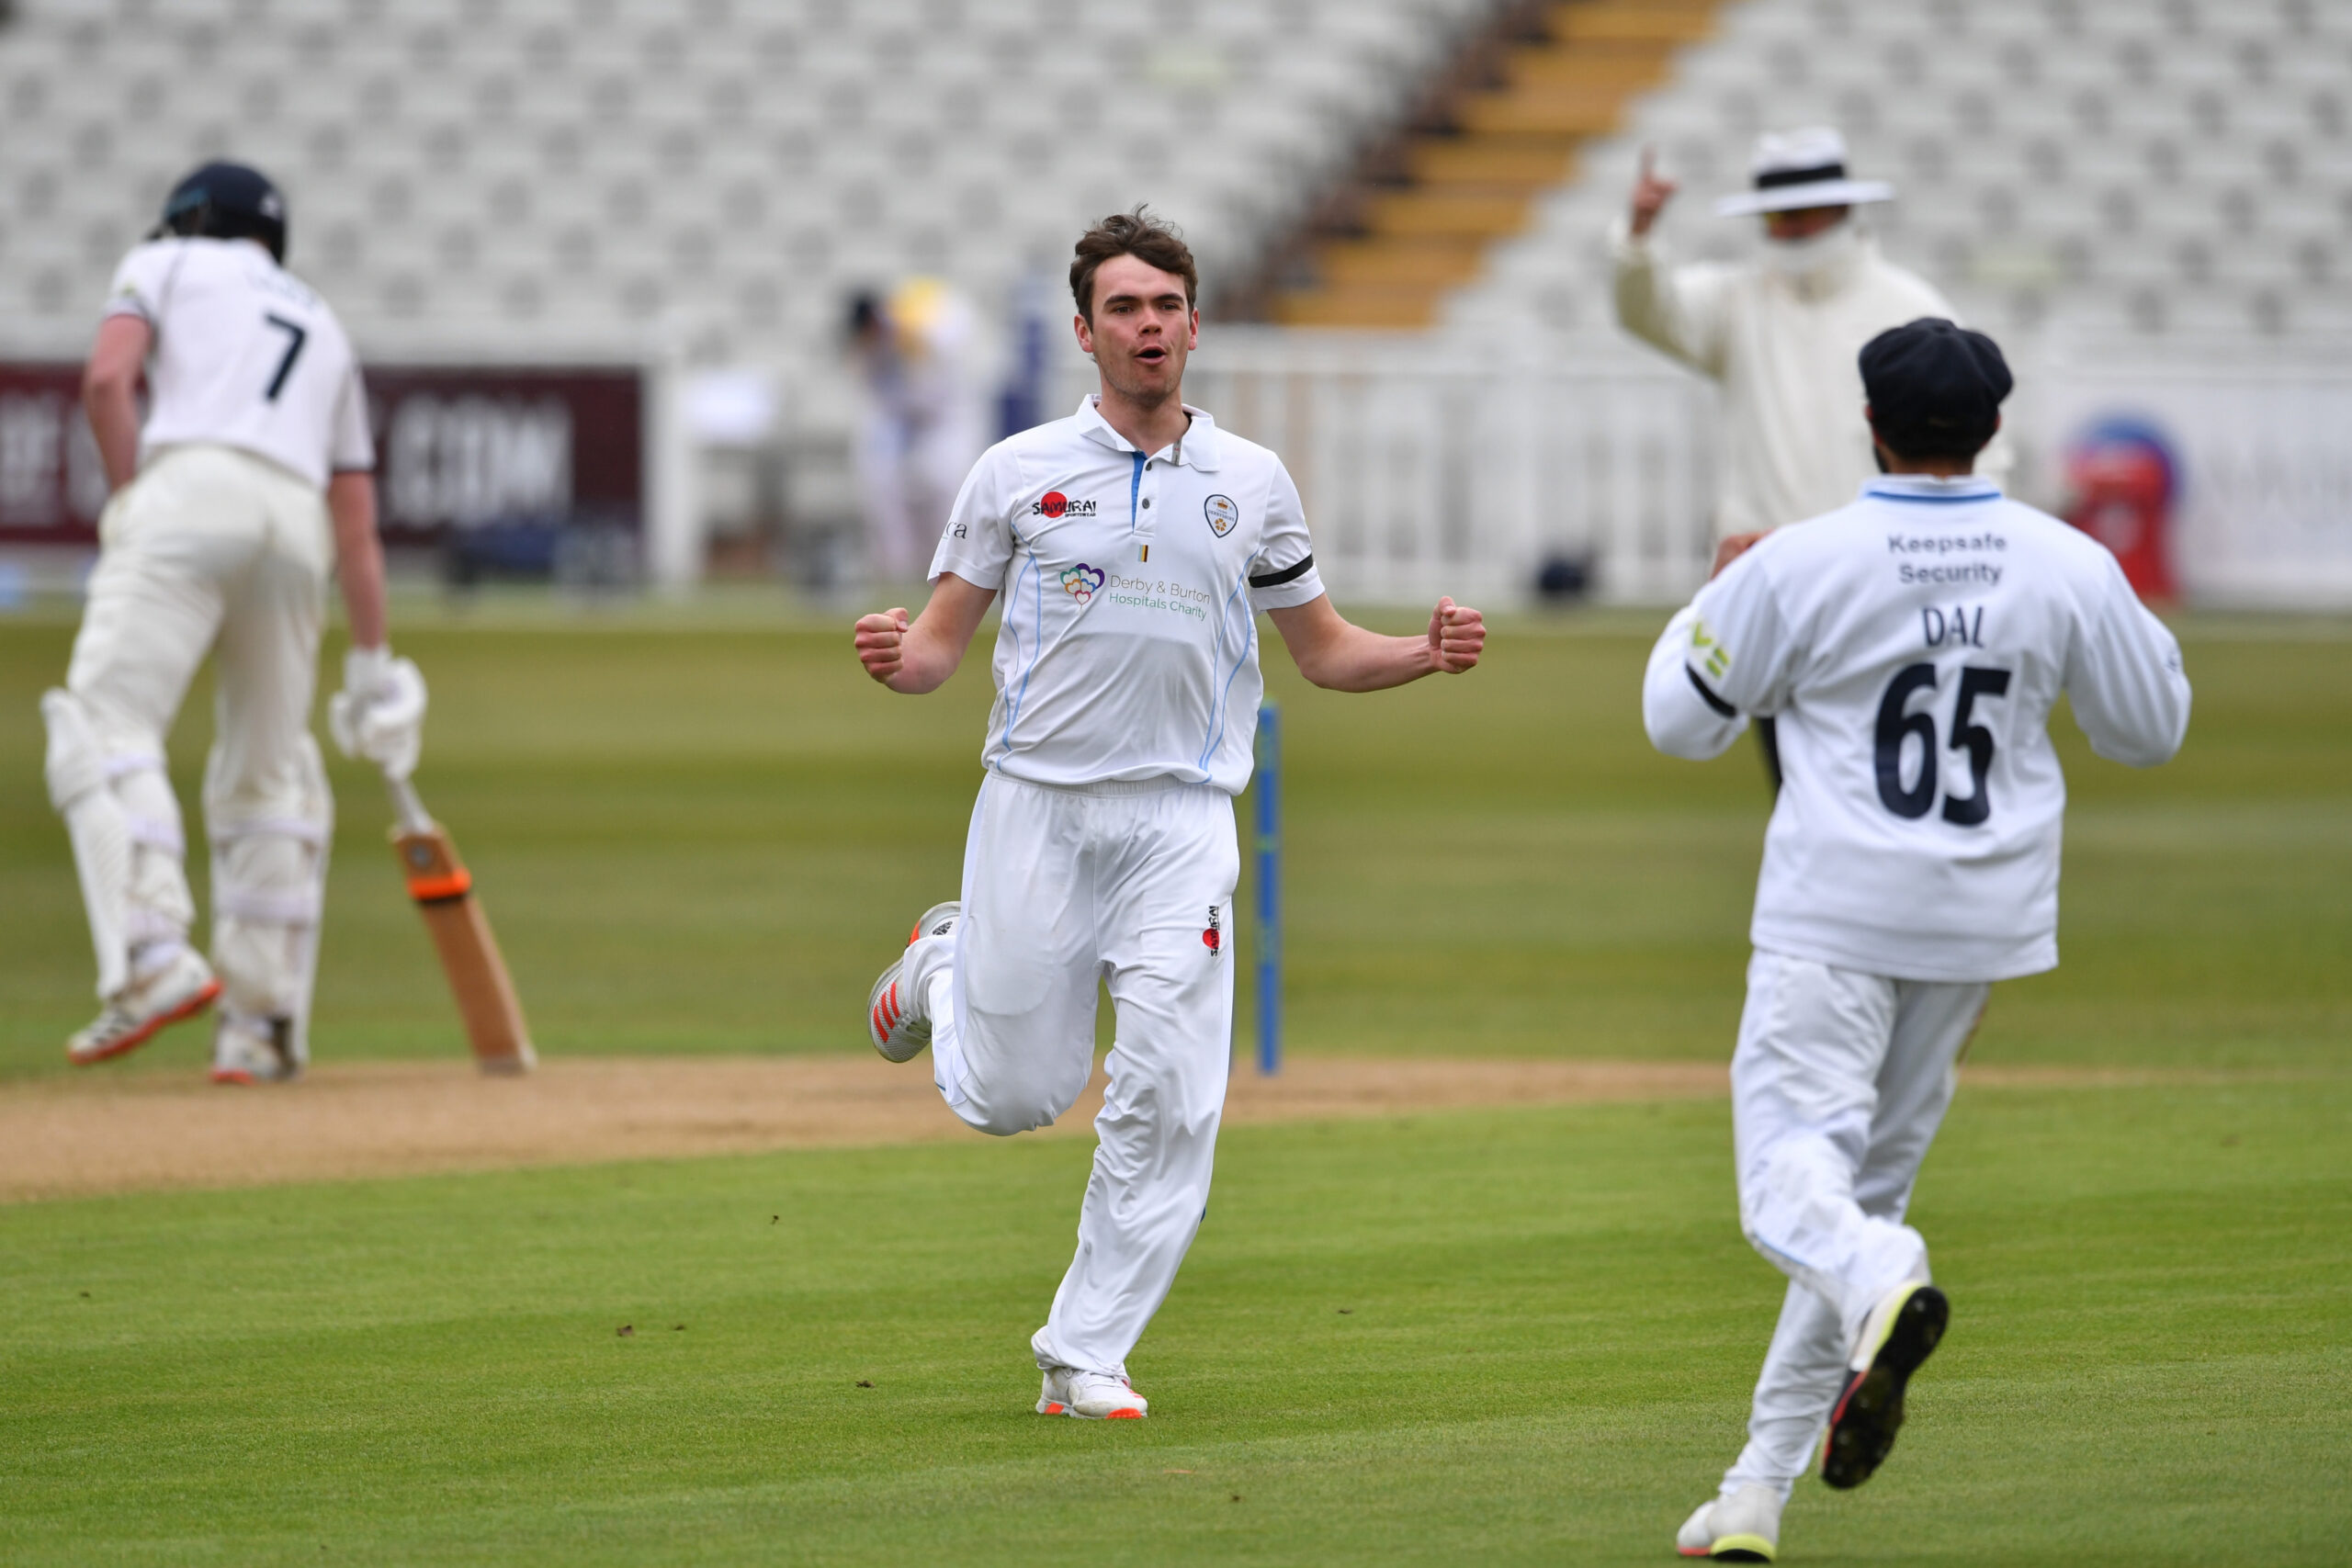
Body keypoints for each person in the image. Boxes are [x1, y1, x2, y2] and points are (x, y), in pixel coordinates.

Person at [850, 209, 1487, 1420]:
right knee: (1014, 1096)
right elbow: (937, 650)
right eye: (1126, 309)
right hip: (1038, 805)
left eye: (1168, 306)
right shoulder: (1015, 471)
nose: (1150, 326)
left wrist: (1426, 651)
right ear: (1086, 331)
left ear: (1196, 323)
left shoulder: (1252, 482)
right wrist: (897, 656)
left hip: (1183, 821)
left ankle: (1084, 1350)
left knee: (1176, 1091)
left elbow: (1326, 649)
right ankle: (939, 968)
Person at [1644, 318, 2189, 1561]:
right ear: (1994, 427)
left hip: (1835, 910)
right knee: (1858, 1196)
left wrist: (1712, 592)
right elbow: (2150, 727)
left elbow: (1682, 722)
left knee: (1800, 1194)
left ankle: (1891, 1274)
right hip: (1982, 920)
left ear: (1870, 420)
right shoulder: (2064, 562)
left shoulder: (1804, 559)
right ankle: (1754, 1491)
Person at [42, 161, 426, 1084]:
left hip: (190, 489)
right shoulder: (323, 319)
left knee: (100, 725)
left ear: (187, 220)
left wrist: (140, 499)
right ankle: (258, 1027)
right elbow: (358, 525)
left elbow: (107, 382)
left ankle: (150, 951)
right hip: (295, 526)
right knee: (269, 768)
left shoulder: (164, 264)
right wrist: (372, 669)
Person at [1618, 127, 2007, 789]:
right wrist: (1638, 241)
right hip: (1775, 583)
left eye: (1804, 210)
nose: (1790, 227)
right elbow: (1650, 313)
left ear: (1843, 208)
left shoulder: (1910, 307)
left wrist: (1973, 562)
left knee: (1894, 776)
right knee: (1799, 783)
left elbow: (1981, 445)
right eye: (1777, 213)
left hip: (1893, 582)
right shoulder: (1739, 298)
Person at [846, 277, 989, 583]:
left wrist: (915, 334)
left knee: (946, 490)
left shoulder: (918, 323)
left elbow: (953, 340)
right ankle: (899, 572)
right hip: (904, 425)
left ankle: (954, 574)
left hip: (948, 421)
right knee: (881, 483)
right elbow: (880, 395)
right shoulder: (867, 349)